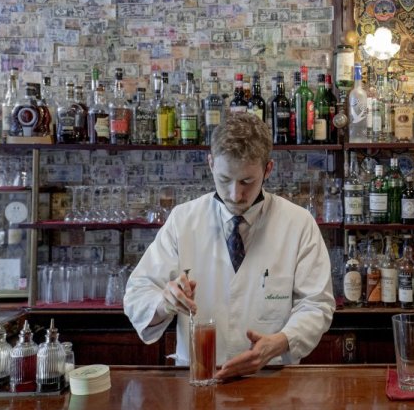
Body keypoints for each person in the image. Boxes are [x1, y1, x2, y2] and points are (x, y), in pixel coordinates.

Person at [124, 112, 335, 380]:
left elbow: (317, 305)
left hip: (272, 378)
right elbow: (136, 295)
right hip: (199, 378)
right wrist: (164, 302)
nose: (236, 194)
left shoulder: (298, 223)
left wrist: (280, 342)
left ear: (268, 169)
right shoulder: (183, 220)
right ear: (211, 164)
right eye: (225, 180)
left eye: (247, 181)